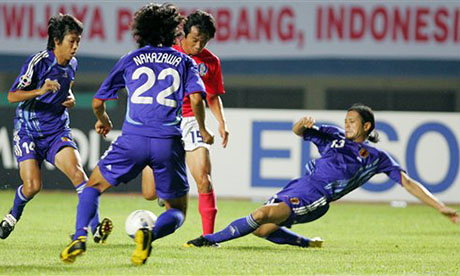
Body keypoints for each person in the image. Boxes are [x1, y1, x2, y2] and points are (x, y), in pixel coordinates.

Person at [60, 3, 213, 265]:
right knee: (177, 209)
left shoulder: (131, 59)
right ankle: (149, 235)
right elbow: (197, 99)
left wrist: (104, 120)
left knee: (92, 187)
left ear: (140, 31)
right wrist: (202, 128)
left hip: (132, 139)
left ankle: (79, 237)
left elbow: (98, 101)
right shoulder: (184, 61)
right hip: (168, 142)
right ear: (173, 31)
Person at [185, 104, 459, 248]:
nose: (346, 123)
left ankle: (208, 240)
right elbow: (298, 131)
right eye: (346, 119)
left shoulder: (375, 158)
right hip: (298, 185)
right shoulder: (332, 135)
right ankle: (306, 243)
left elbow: (408, 183)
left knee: (260, 215)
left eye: (352, 121)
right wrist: (300, 123)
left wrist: (440, 207)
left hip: (316, 197)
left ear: (366, 125)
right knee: (262, 230)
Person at [0, 14, 112, 243]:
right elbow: (12, 96)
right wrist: (40, 91)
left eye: (78, 41)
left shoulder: (73, 64)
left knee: (79, 175)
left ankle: (96, 228)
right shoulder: (38, 62)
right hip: (28, 131)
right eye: (72, 41)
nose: (76, 47)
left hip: (57, 131)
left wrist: (68, 96)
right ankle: (12, 216)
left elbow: (67, 87)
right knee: (32, 186)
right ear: (57, 40)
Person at [141, 10, 229, 236]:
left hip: (192, 121)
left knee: (203, 178)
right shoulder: (166, 53)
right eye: (195, 40)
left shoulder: (211, 62)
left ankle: (208, 237)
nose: (199, 46)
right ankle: (164, 192)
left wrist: (221, 122)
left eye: (204, 41)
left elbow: (211, 95)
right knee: (149, 193)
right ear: (183, 34)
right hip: (163, 119)